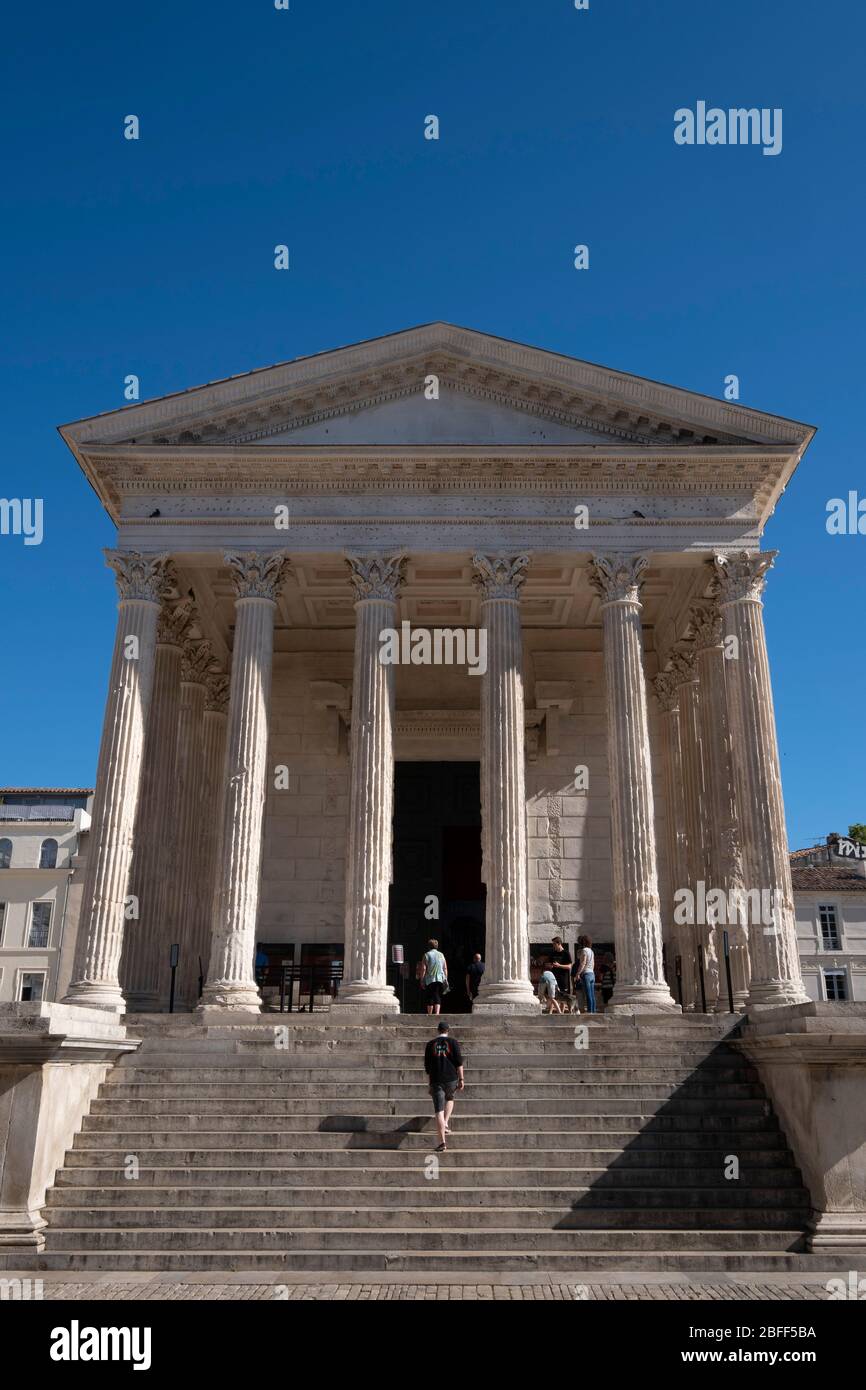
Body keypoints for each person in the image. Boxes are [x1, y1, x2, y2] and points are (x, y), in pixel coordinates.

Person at [424, 1021, 464, 1151]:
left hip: (436, 1079)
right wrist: (461, 1079)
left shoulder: (430, 1044)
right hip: (451, 1078)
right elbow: (459, 1062)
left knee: (438, 1111)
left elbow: (428, 1067)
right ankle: (446, 1123)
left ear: (438, 1030)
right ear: (448, 1030)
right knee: (450, 1098)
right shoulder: (453, 1042)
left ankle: (442, 1143)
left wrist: (430, 1084)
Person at [421, 938, 449, 1015]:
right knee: (437, 995)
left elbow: (423, 968)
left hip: (430, 979)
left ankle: (430, 1014)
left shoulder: (426, 955)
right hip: (440, 978)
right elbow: (445, 968)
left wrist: (422, 979)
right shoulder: (441, 955)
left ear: (429, 946)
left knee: (429, 996)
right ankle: (437, 1013)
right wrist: (445, 978)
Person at [573, 934, 597, 1013]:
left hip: (586, 974)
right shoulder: (591, 951)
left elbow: (582, 963)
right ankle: (593, 1011)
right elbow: (593, 963)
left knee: (588, 994)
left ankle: (590, 1012)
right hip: (592, 974)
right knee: (592, 995)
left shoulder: (584, 951)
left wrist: (578, 973)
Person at [547, 936, 573, 1003]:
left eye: (554, 944)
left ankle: (562, 1012)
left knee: (564, 995)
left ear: (559, 944)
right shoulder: (552, 953)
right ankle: (559, 1011)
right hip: (554, 978)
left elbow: (569, 966)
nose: (553, 946)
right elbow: (550, 964)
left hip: (563, 978)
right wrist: (550, 966)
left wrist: (559, 965)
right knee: (553, 995)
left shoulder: (566, 953)